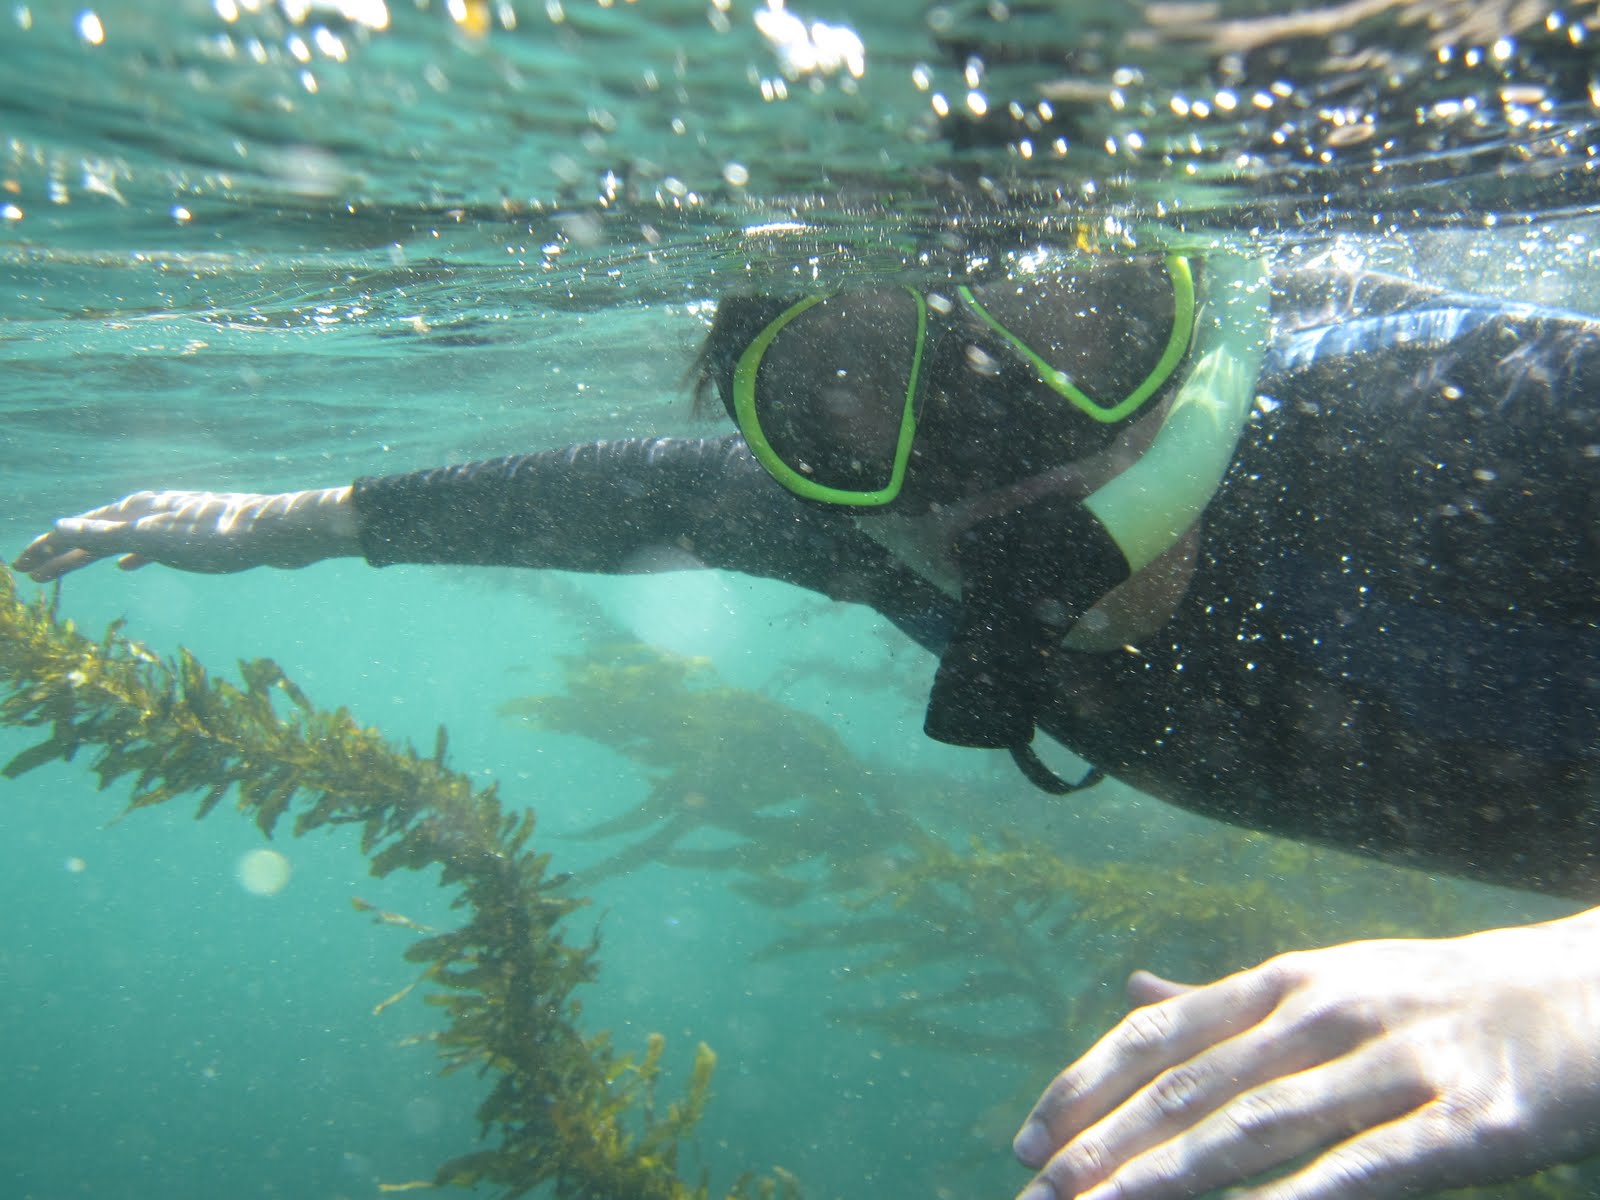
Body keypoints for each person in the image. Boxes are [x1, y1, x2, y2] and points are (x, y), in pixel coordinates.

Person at [15, 246, 1600, 1199]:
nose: (992, 455)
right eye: (846, 394)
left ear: (1194, 338)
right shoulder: (864, 533)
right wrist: (269, 522)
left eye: (1073, 328)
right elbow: (603, 494)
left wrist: (1569, 992)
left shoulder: (1464, 424)